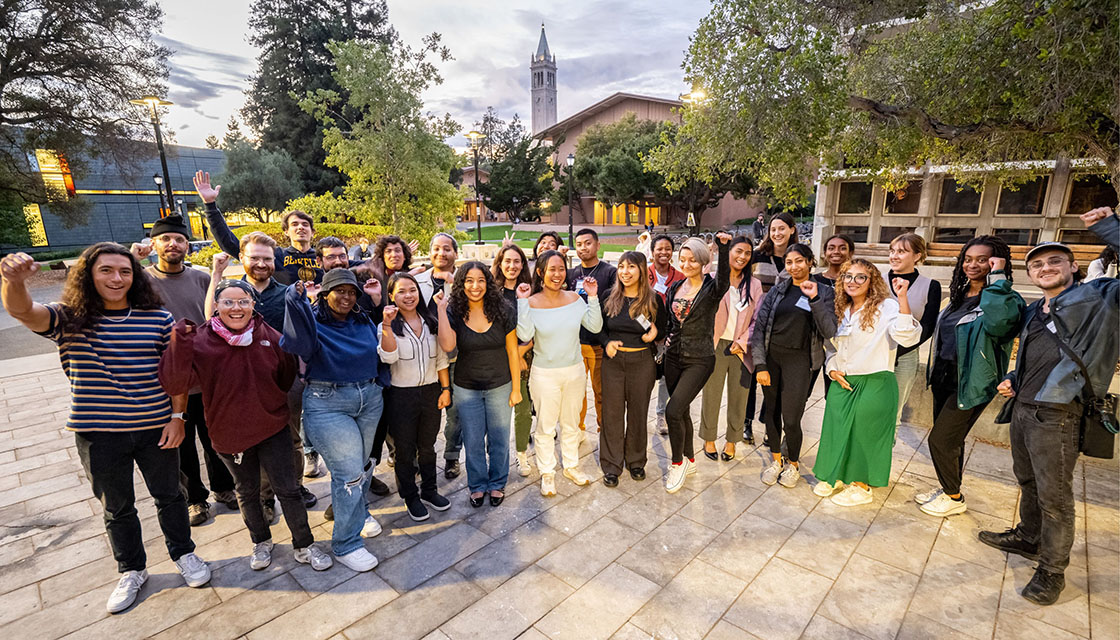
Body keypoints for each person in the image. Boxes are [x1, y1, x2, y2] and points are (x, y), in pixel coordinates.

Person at [1, 244, 211, 614]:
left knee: (171, 497)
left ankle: (184, 554)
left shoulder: (158, 319)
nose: (117, 279)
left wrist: (178, 419)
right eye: (106, 271)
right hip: (98, 433)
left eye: (125, 272)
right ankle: (132, 569)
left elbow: (177, 375)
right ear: (88, 275)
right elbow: (22, 311)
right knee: (117, 508)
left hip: (156, 429)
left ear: (135, 277)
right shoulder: (68, 318)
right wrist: (13, 281)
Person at [981, 207, 1119, 606]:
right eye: (1037, 264)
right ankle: (1028, 536)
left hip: (1059, 415)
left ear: (1074, 266)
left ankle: (1052, 571)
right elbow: (1036, 357)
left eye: (1055, 260)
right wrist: (1013, 379)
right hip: (1025, 409)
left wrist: (1108, 228)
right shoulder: (1035, 309)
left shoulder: (1101, 300)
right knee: (1027, 481)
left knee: (1055, 497)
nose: (1045, 268)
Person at [158, 280, 333, 572]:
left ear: (253, 304)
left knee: (288, 489)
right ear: (215, 306)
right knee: (246, 490)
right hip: (229, 432)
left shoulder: (269, 335)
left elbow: (286, 372)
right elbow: (175, 383)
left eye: (243, 301)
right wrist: (178, 342)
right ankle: (260, 540)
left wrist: (268, 401)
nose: (236, 308)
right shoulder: (200, 340)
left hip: (272, 425)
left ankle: (304, 544)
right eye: (228, 302)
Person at [130, 214, 236, 525]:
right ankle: (195, 499)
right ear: (154, 244)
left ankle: (224, 487)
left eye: (179, 239)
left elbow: (217, 317)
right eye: (166, 239)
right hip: (169, 381)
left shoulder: (202, 279)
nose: (173, 244)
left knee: (215, 437)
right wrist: (131, 259)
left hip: (207, 377)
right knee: (183, 444)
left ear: (187, 246)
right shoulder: (141, 281)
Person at [280, 268, 386, 572]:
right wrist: (295, 303)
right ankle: (346, 544)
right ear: (325, 294)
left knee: (363, 467)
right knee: (350, 474)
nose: (346, 297)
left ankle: (359, 512)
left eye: (351, 292)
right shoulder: (312, 322)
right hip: (328, 403)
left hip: (369, 397)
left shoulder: (361, 319)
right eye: (339, 290)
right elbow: (297, 343)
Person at [206, 243, 318, 522]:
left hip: (285, 378)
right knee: (256, 442)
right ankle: (266, 498)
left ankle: (294, 487)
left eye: (267, 258)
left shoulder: (288, 292)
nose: (260, 263)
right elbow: (209, 321)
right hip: (243, 381)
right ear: (242, 258)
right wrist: (216, 276)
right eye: (254, 257)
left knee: (291, 439)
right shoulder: (234, 293)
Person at [918, 236, 1023, 518]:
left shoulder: (1003, 297)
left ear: (996, 261)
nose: (972, 265)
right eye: (968, 258)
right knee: (953, 441)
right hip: (943, 378)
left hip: (972, 382)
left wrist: (998, 277)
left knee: (940, 441)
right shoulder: (958, 297)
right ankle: (947, 487)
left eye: (982, 259)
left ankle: (953, 497)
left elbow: (1001, 327)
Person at [813, 259, 921, 505]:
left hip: (875, 379)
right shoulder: (842, 309)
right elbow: (831, 346)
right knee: (836, 429)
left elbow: (906, 336)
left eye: (860, 277)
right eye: (848, 276)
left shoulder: (888, 307)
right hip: (843, 379)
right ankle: (836, 475)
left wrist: (903, 298)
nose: (853, 281)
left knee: (865, 434)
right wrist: (832, 370)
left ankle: (862, 485)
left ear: (872, 281)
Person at [750, 243, 837, 488]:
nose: (794, 267)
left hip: (800, 361)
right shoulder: (777, 291)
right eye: (789, 262)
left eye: (799, 261)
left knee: (791, 417)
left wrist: (815, 298)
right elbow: (759, 331)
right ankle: (776, 460)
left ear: (810, 262)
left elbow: (829, 330)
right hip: (772, 358)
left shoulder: (824, 292)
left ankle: (793, 464)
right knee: (771, 413)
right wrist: (760, 365)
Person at [517, 250, 603, 496]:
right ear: (541, 272)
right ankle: (547, 472)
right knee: (545, 426)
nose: (557, 274)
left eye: (561, 269)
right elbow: (524, 335)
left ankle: (572, 466)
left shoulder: (575, 299)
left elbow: (595, 326)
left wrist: (593, 297)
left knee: (571, 422)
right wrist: (522, 301)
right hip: (544, 374)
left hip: (574, 371)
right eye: (552, 269)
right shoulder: (531, 302)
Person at [436, 262, 521, 507]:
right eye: (469, 281)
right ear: (461, 284)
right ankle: (477, 485)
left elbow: (513, 351)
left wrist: (516, 389)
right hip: (466, 387)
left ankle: (497, 483)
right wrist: (442, 310)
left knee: (499, 439)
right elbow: (448, 346)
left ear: (488, 283)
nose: (476, 286)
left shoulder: (503, 309)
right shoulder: (454, 311)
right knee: (472, 440)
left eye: (481, 280)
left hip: (500, 385)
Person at [377, 273, 453, 521]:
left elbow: (442, 360)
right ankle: (410, 496)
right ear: (391, 296)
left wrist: (445, 390)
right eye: (401, 291)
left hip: (431, 391)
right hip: (401, 395)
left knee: (428, 446)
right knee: (404, 450)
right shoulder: (387, 326)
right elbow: (387, 358)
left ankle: (430, 490)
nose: (408, 295)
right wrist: (387, 324)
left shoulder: (430, 321)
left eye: (412, 290)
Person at [662, 233, 733, 493]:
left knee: (672, 411)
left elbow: (724, 280)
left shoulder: (711, 288)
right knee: (681, 412)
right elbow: (671, 322)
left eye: (693, 259)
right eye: (683, 259)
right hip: (673, 358)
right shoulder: (674, 288)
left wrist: (723, 249)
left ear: (703, 261)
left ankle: (677, 463)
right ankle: (690, 460)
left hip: (700, 359)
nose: (687, 263)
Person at [600, 251, 665, 486]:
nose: (625, 272)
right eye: (621, 267)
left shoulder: (652, 299)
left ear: (641, 271)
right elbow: (598, 327)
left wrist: (656, 332)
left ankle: (636, 461)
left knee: (638, 413)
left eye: (631, 267)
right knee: (612, 415)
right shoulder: (609, 296)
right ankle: (611, 464)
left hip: (641, 364)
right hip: (613, 364)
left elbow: (664, 329)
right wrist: (606, 342)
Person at [195, 170, 318, 285]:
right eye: (294, 224)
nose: (300, 227)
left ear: (312, 232)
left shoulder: (325, 256)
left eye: (305, 224)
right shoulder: (275, 255)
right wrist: (210, 205)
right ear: (286, 231)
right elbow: (230, 243)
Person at [700, 236, 763, 461]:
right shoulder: (713, 279)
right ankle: (709, 438)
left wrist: (744, 340)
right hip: (716, 345)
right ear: (729, 252)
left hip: (740, 348)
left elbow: (758, 320)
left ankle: (731, 441)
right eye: (738, 251)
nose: (742, 257)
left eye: (747, 253)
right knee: (711, 394)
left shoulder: (754, 285)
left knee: (739, 396)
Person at [415, 232, 465, 480]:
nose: (441, 253)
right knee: (422, 411)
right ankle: (418, 457)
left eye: (447, 249)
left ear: (456, 253)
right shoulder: (417, 280)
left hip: (454, 356)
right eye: (436, 248)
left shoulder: (463, 281)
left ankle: (452, 457)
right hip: (422, 358)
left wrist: (454, 282)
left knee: (455, 413)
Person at [887, 233, 943, 426]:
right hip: (875, 352)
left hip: (905, 355)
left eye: (901, 251)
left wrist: (899, 351)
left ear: (917, 256)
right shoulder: (876, 280)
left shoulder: (930, 286)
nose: (894, 255)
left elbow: (927, 327)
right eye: (892, 251)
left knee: (893, 409)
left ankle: (886, 449)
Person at [492, 242, 536, 476]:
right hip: (497, 359)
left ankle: (521, 454)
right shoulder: (490, 292)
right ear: (499, 263)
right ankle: (495, 456)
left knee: (523, 409)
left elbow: (535, 326)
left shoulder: (529, 290)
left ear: (523, 264)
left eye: (517, 261)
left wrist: (520, 353)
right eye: (507, 261)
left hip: (524, 359)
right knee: (497, 413)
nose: (512, 265)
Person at [567, 229, 617, 432]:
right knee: (576, 392)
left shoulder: (610, 273)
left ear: (598, 245)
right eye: (579, 244)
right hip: (575, 343)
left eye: (587, 243)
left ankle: (604, 428)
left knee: (601, 391)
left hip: (599, 343)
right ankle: (577, 429)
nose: (583, 248)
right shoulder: (571, 273)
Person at [648, 234, 686, 436]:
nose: (663, 252)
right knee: (645, 375)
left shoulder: (680, 277)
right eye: (659, 248)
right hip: (646, 335)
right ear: (652, 251)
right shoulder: (644, 273)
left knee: (666, 376)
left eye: (667, 249)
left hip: (670, 335)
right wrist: (652, 331)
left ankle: (661, 414)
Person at [751, 212, 798, 291]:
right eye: (773, 230)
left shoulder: (798, 259)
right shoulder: (757, 255)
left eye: (782, 229)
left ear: (792, 230)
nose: (777, 233)